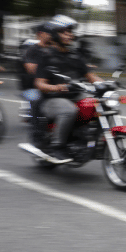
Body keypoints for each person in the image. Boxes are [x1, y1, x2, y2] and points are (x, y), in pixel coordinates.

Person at [34, 15, 104, 162]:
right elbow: (39, 83)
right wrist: (56, 87)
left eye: (70, 31)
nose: (69, 34)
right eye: (64, 32)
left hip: (75, 94)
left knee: (99, 104)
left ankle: (93, 139)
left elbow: (90, 76)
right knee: (69, 110)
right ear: (55, 34)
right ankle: (57, 146)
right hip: (52, 99)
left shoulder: (75, 56)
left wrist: (106, 84)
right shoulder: (46, 55)